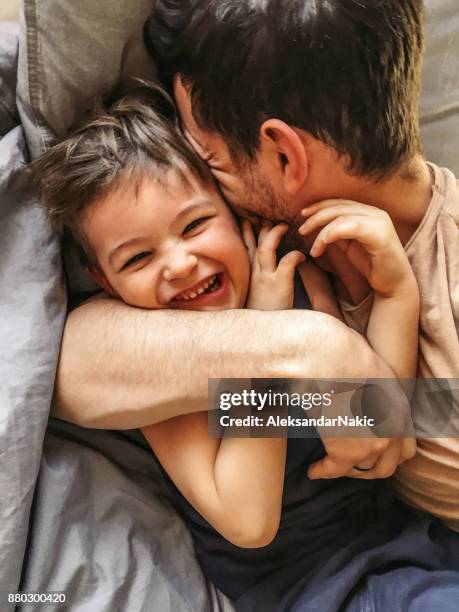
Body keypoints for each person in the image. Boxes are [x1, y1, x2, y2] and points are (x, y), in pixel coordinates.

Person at [144, 0, 459, 532]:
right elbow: (69, 364)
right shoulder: (244, 242)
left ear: (286, 156)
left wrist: (360, 399)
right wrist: (312, 349)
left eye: (212, 162)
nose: (200, 183)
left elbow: (377, 423)